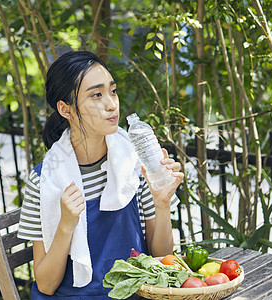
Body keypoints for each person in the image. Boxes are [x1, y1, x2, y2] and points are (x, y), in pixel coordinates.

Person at [17, 50, 184, 299]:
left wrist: (162, 204)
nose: (111, 104)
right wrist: (65, 224)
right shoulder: (44, 181)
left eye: (112, 91)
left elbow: (161, 257)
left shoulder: (133, 164)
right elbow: (46, 286)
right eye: (96, 95)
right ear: (66, 109)